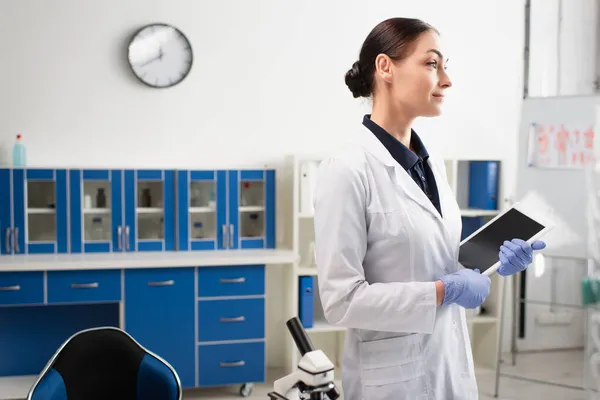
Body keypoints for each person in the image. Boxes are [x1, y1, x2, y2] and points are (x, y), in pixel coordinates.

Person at [312, 17, 546, 400]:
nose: (447, 80)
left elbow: (434, 256)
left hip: (449, 364)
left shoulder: (431, 164)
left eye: (444, 66)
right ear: (385, 67)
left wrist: (491, 258)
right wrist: (445, 290)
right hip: (392, 381)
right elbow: (342, 302)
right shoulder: (347, 169)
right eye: (432, 64)